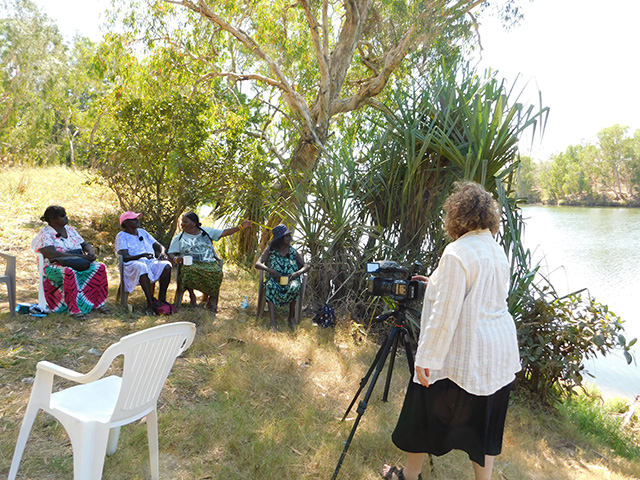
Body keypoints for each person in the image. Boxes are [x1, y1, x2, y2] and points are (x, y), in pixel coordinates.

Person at [382, 182, 521, 480]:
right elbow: (479, 295)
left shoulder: (457, 252)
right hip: (498, 354)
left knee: (419, 413)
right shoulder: (495, 251)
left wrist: (426, 358)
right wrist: (435, 283)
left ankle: (409, 475)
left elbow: (445, 315)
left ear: (457, 215)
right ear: (488, 218)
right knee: (485, 427)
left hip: (466, 352)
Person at [32, 205, 108, 319]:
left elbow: (84, 244)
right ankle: (74, 309)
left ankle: (97, 303)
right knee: (69, 272)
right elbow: (52, 254)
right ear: (53, 219)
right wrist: (78, 256)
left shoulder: (70, 230)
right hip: (54, 265)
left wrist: (90, 252)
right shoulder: (45, 233)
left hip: (77, 260)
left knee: (100, 267)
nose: (66, 217)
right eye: (63, 215)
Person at [168, 212, 252, 310]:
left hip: (208, 262)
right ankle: (192, 295)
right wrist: (176, 259)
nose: (182, 224)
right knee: (188, 271)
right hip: (190, 263)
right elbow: (171, 254)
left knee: (217, 272)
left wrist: (241, 227)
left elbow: (224, 232)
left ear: (194, 223)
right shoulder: (179, 238)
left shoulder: (206, 231)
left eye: (185, 222)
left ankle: (211, 300)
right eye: (182, 222)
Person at [115, 211, 172, 314]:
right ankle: (150, 302)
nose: (137, 221)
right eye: (134, 219)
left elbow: (159, 246)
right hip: (131, 264)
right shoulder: (122, 236)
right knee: (141, 267)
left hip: (150, 261)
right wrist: (141, 255)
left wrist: (162, 253)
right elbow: (125, 257)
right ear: (126, 223)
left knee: (166, 265)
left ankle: (161, 299)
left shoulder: (142, 232)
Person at [254, 224, 309, 330]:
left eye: (289, 236)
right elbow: (258, 264)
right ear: (280, 239)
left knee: (295, 287)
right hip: (274, 280)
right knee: (270, 286)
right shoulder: (271, 250)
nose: (290, 238)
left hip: (290, 280)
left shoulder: (292, 251)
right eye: (287, 236)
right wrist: (270, 271)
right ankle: (273, 323)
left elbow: (306, 266)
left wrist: (297, 273)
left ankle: (291, 317)